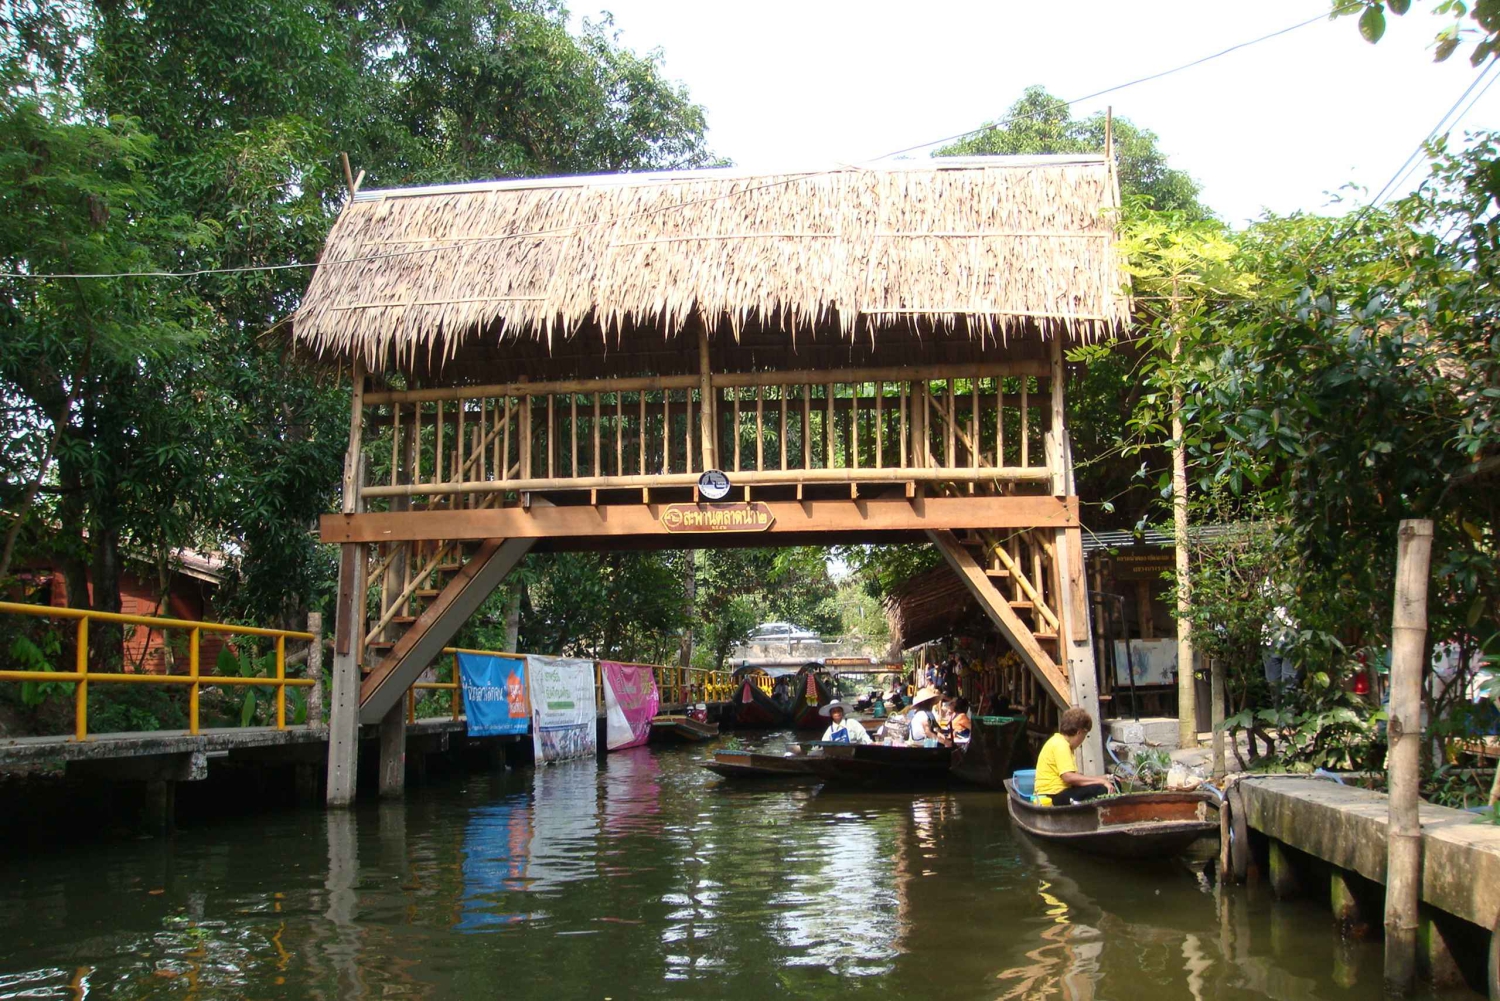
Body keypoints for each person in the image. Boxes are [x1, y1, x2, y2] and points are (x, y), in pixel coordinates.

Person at [1034, 707, 1116, 804]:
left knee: (1113, 783)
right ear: (1079, 733)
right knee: (1101, 789)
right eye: (1084, 735)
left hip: (1060, 791)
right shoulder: (1061, 745)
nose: (1083, 740)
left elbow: (1073, 776)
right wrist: (1100, 781)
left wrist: (1102, 778)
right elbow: (1068, 777)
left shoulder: (1060, 742)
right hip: (1052, 795)